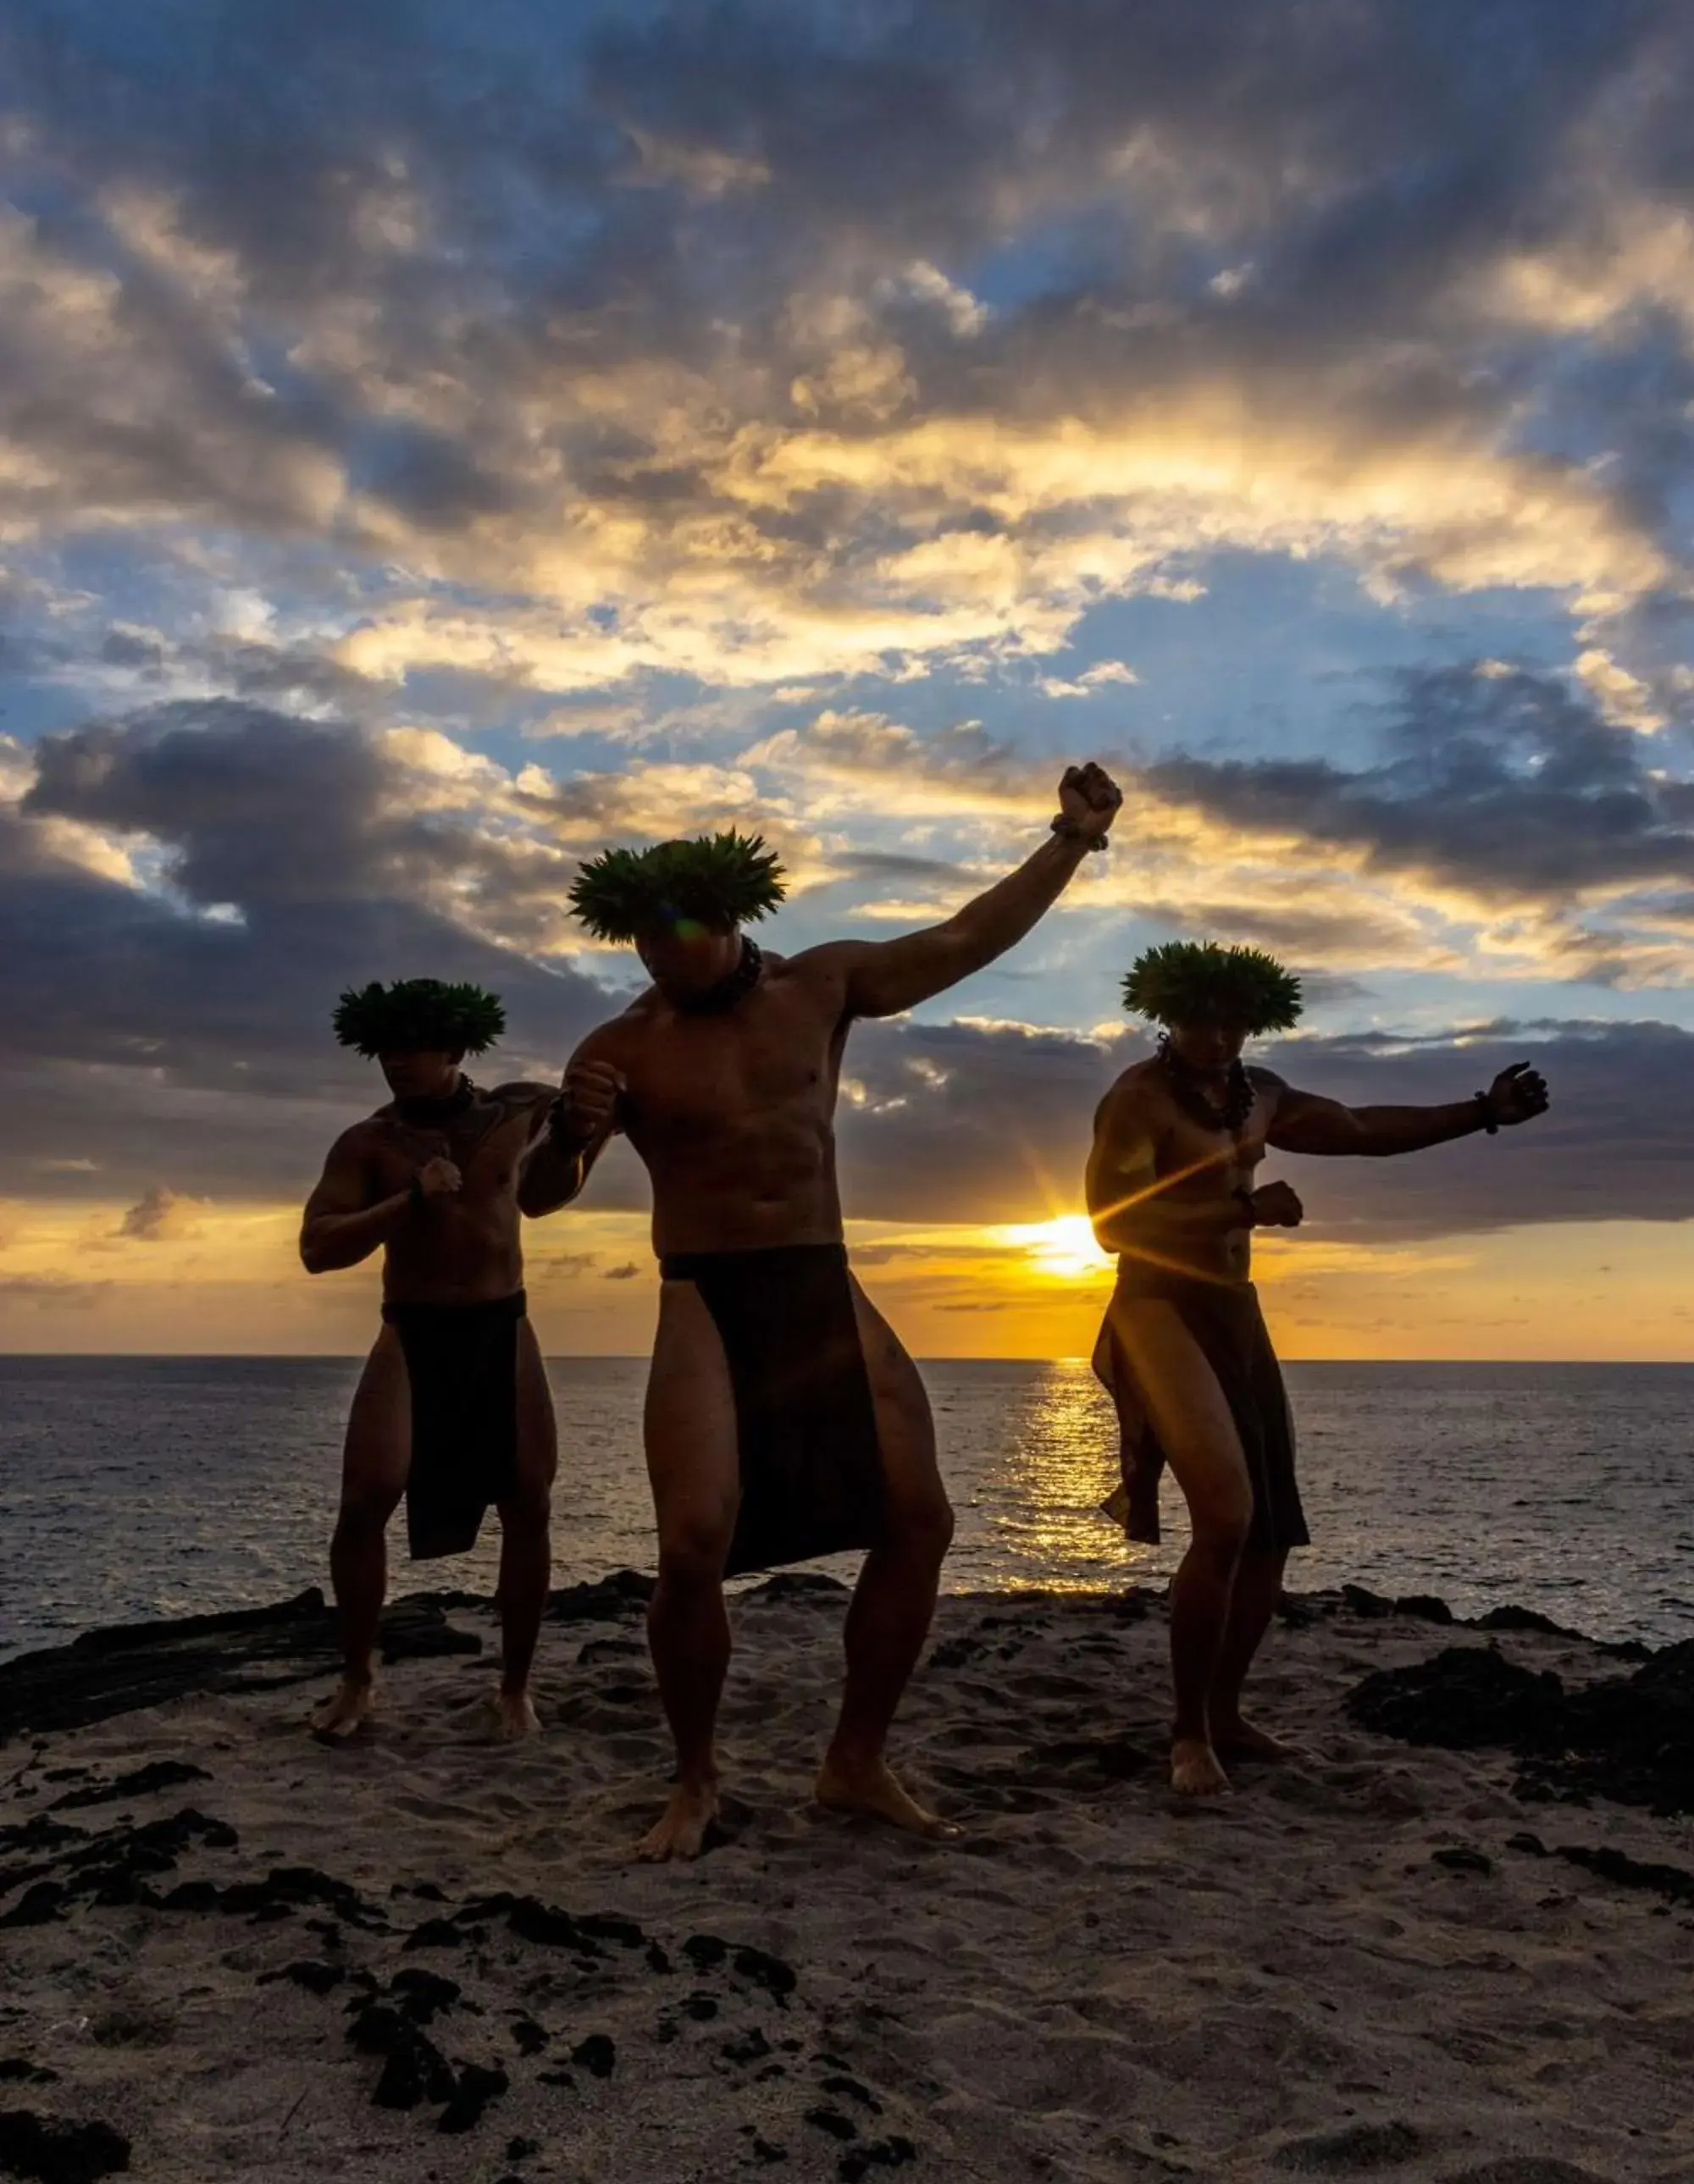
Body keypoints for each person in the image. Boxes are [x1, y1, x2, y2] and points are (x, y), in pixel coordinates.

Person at [523, 771, 1123, 1858]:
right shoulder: (617, 1047)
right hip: (704, 1294)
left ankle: (852, 1762)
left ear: (732, 917)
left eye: (678, 937)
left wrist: (1070, 842)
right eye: (642, 945)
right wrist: (567, 1132)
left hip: (820, 1279)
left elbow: (962, 937)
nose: (659, 960)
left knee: (918, 1521)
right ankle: (695, 1782)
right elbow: (537, 1192)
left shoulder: (823, 986)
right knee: (693, 1542)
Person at [1086, 940, 1550, 1799]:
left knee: (1268, 1530)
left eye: (1233, 1022)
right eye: (1200, 1020)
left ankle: (1224, 1713)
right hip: (1154, 1309)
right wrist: (1239, 1208)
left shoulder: (1257, 1094)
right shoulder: (1136, 1100)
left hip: (1233, 1312)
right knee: (1223, 1516)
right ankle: (1186, 1735)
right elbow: (1109, 1227)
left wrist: (1479, 1111)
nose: (1218, 1036)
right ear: (1167, 1016)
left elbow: (1362, 1129)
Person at [299, 977, 618, 1740]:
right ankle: (357, 1679)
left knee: (529, 1503)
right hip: (410, 1331)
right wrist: (408, 1200)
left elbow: (553, 1188)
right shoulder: (368, 1143)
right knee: (365, 1498)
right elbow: (317, 1248)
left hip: (501, 1328)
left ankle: (514, 1690)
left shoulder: (519, 1110)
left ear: (455, 1049)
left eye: (413, 1049)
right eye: (386, 1051)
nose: (397, 1064)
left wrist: (584, 1129)